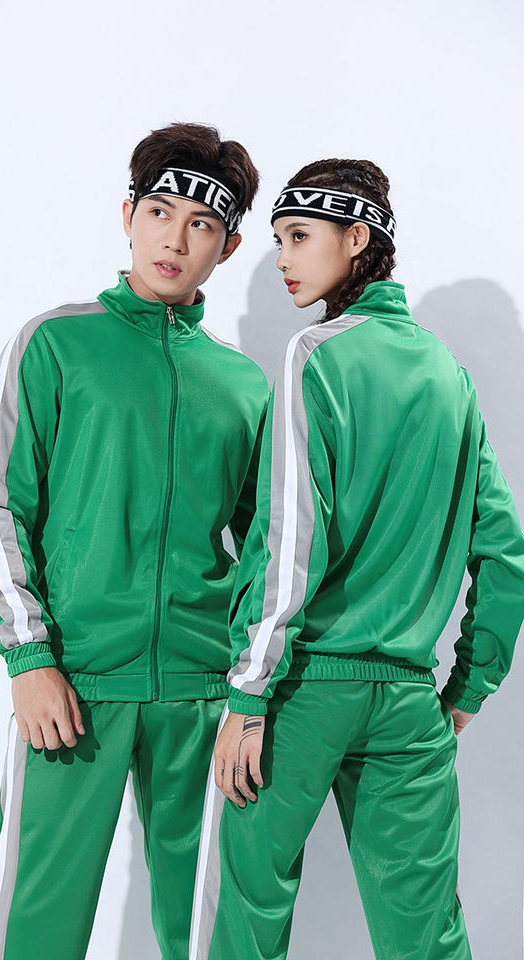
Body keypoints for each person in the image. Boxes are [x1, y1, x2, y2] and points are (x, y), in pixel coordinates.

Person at [189, 159, 524, 960]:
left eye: (299, 236)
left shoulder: (316, 354)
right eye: (277, 239)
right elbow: (505, 551)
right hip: (408, 698)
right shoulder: (450, 377)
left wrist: (248, 693)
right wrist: (469, 687)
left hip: (302, 690)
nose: (283, 258)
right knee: (427, 936)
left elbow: (290, 537)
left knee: (247, 919)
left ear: (357, 237)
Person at [0, 121, 269, 960]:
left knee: (208, 935)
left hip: (204, 697)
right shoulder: (54, 344)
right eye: (160, 212)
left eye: (202, 225)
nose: (175, 239)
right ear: (128, 214)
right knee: (36, 929)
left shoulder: (245, 384)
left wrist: (250, 690)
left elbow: (269, 551)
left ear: (229, 246)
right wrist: (29, 658)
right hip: (74, 685)